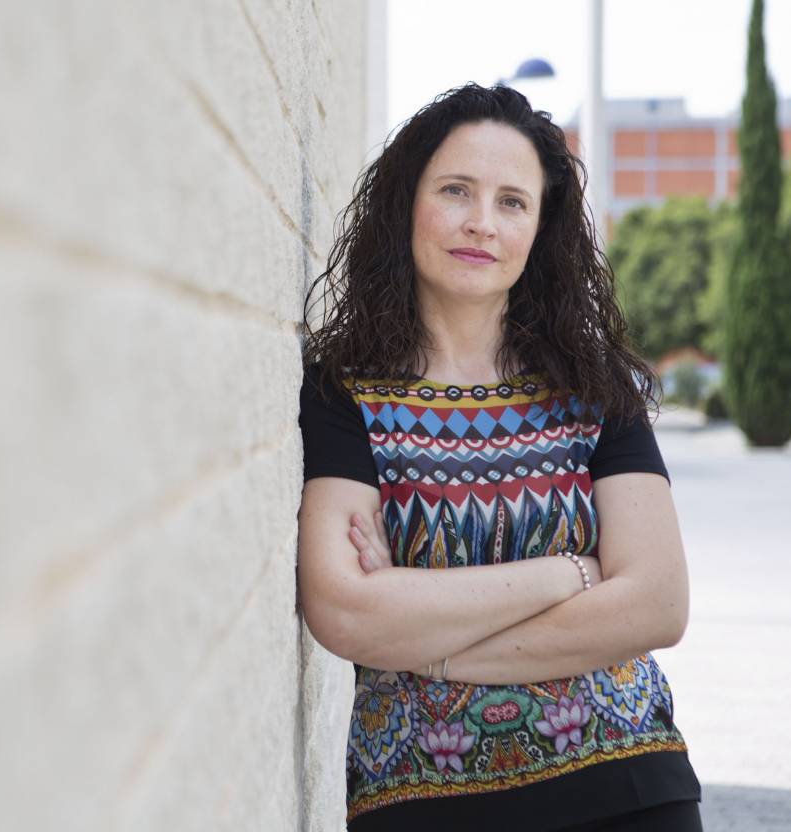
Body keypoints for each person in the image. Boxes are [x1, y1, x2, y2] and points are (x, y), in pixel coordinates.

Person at [296, 83, 703, 831]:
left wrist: (426, 640)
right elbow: (345, 609)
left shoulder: (594, 389)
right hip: (418, 801)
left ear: (540, 229)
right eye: (456, 190)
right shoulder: (340, 394)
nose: (482, 223)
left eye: (512, 202)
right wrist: (570, 574)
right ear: (405, 203)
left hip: (627, 787)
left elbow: (657, 603)